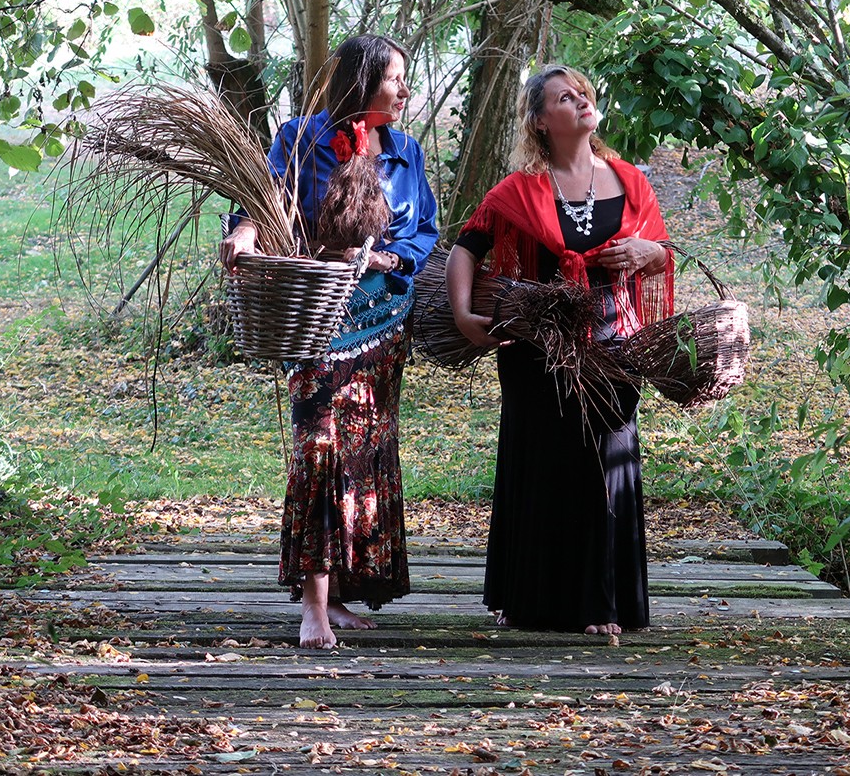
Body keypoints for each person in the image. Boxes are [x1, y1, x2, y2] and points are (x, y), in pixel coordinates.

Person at [220, 34, 439, 648]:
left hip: (383, 324)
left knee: (363, 454)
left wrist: (389, 258)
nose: (403, 89)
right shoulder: (298, 140)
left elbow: (424, 230)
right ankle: (312, 604)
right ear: (361, 81)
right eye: (394, 78)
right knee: (318, 447)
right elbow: (262, 204)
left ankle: (341, 593)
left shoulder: (405, 152)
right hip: (317, 318)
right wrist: (243, 237)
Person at [444, 64, 674, 635]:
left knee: (606, 463)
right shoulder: (519, 190)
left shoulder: (629, 180)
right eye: (563, 97)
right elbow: (465, 250)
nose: (579, 100)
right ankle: (529, 598)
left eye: (582, 93)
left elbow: (662, 250)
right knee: (542, 465)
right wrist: (465, 318)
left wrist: (647, 250)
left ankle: (603, 602)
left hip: (614, 346)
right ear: (541, 121)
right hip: (535, 351)